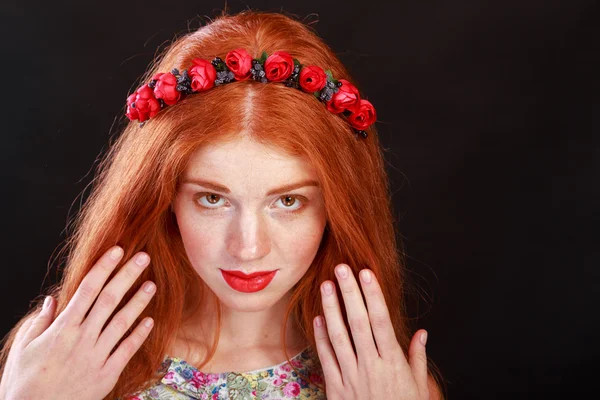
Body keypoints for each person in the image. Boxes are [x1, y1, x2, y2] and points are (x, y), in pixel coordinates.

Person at [0, 10, 445, 400]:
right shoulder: (52, 362)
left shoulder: (391, 386)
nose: (248, 248)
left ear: (337, 207)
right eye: (212, 199)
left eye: (288, 201)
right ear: (164, 197)